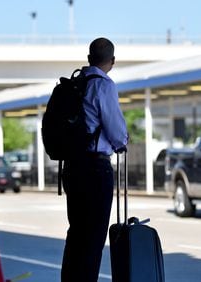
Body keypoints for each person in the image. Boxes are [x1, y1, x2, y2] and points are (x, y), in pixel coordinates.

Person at [61, 38, 128, 282]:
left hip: (71, 167)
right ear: (112, 61)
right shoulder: (104, 85)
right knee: (93, 238)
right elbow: (116, 129)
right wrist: (122, 143)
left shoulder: (75, 83)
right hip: (95, 169)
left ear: (89, 58)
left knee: (76, 233)